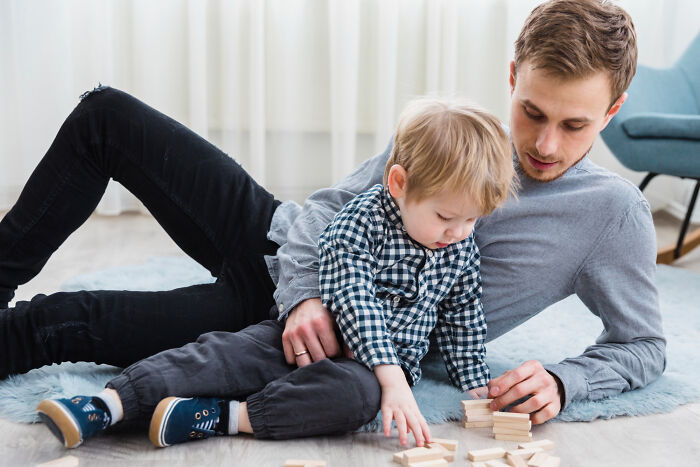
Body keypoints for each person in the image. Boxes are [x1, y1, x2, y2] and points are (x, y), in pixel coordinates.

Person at [0, 0, 664, 438]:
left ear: (612, 111)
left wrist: (563, 379)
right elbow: (326, 209)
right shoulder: (455, 135)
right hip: (284, 248)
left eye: (574, 125)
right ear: (514, 76)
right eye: (533, 113)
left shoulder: (611, 216)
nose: (545, 145)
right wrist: (306, 294)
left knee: (50, 327)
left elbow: (644, 344)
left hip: (297, 335)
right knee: (106, 117)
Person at [35, 99, 516, 449]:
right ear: (398, 185)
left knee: (356, 398)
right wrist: (392, 375)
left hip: (361, 373)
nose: (459, 232)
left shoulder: (458, 247)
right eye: (446, 218)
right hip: (311, 336)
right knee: (224, 355)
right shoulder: (361, 221)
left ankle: (225, 417)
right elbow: (353, 296)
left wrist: (471, 378)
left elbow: (462, 315)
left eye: (472, 221)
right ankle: (110, 403)